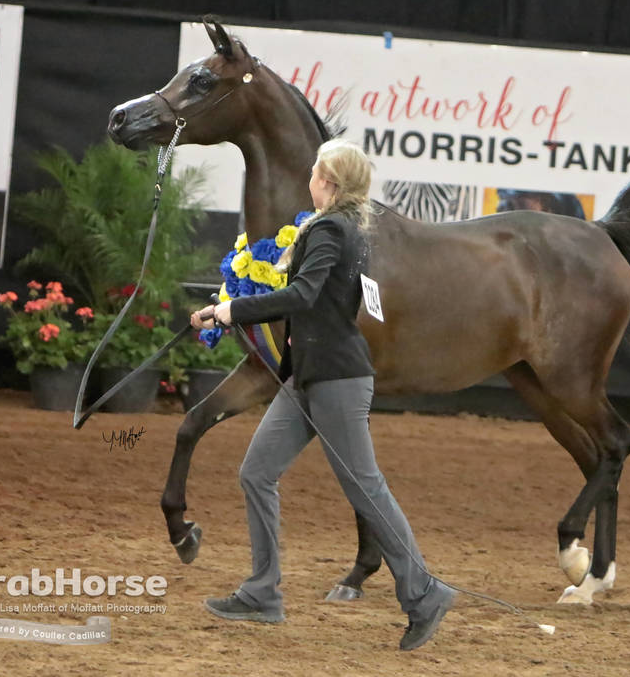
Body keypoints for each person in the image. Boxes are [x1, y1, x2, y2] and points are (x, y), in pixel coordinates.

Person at [190, 139, 454, 651]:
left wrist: (231, 313)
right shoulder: (346, 227)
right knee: (257, 472)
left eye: (315, 172)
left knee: (365, 488)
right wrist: (230, 308)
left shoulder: (332, 228)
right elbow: (323, 298)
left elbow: (303, 295)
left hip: (334, 379)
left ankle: (424, 593)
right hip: (309, 376)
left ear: (328, 181)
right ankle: (262, 592)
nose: (309, 179)